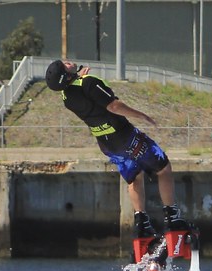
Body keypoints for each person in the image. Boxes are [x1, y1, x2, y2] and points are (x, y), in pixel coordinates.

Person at [45, 59, 189, 241]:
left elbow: (81, 95)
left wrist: (78, 78)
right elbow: (112, 106)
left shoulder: (67, 96)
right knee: (163, 168)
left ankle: (142, 224)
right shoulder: (89, 82)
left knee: (134, 176)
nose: (68, 61)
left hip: (107, 145)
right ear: (66, 75)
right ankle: (172, 219)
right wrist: (141, 115)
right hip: (125, 136)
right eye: (65, 65)